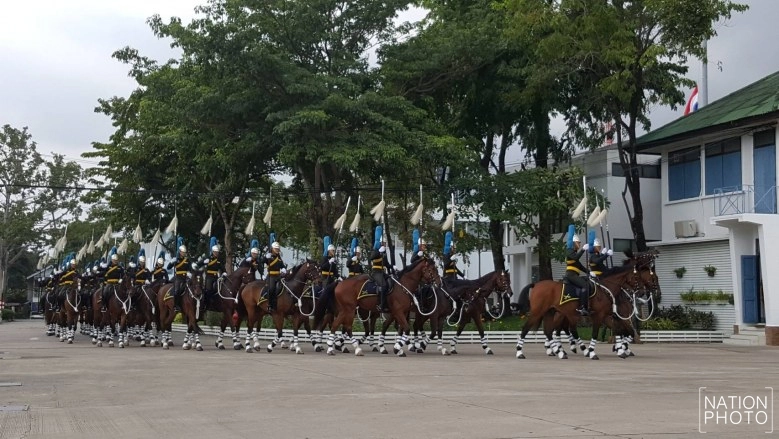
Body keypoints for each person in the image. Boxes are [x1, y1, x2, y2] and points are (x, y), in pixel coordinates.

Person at [565, 235, 590, 315]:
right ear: (573, 243)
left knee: (587, 281)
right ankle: (582, 307)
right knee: (585, 285)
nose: (579, 244)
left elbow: (580, 266)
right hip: (571, 275)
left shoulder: (574, 253)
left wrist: (589, 272)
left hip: (575, 274)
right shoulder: (569, 251)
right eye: (578, 242)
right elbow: (575, 258)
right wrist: (583, 250)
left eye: (580, 243)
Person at [370, 241, 394, 311]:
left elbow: (387, 264)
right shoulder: (375, 251)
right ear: (380, 244)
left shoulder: (384, 253)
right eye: (383, 243)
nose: (385, 245)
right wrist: (379, 252)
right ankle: (381, 304)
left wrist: (393, 266)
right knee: (383, 285)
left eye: (385, 243)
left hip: (382, 272)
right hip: (376, 272)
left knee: (391, 282)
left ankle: (387, 302)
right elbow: (371, 257)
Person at [167, 245, 192, 312]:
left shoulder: (187, 260)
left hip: (186, 277)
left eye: (184, 252)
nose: (184, 253)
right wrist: (171, 262)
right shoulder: (176, 260)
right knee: (177, 290)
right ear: (180, 252)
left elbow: (190, 269)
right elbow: (168, 267)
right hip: (178, 277)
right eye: (182, 252)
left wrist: (190, 273)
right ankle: (176, 305)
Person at [262, 242, 287, 312]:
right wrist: (265, 257)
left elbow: (281, 264)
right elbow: (261, 261)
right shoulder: (269, 256)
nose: (277, 250)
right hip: (271, 276)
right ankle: (270, 305)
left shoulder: (278, 257)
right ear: (272, 249)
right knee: (271, 289)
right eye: (276, 249)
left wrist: (283, 268)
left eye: (278, 249)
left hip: (278, 276)